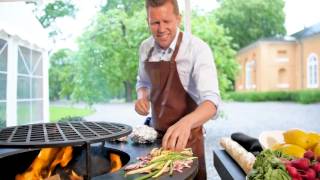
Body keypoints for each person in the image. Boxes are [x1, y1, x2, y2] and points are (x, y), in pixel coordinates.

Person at [134, 0, 220, 179]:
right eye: (155, 23)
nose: (161, 29)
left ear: (178, 19)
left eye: (167, 21)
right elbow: (142, 82)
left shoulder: (197, 48)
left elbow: (211, 102)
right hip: (156, 139)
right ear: (147, 22)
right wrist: (142, 96)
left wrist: (186, 123)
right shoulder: (145, 48)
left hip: (187, 140)